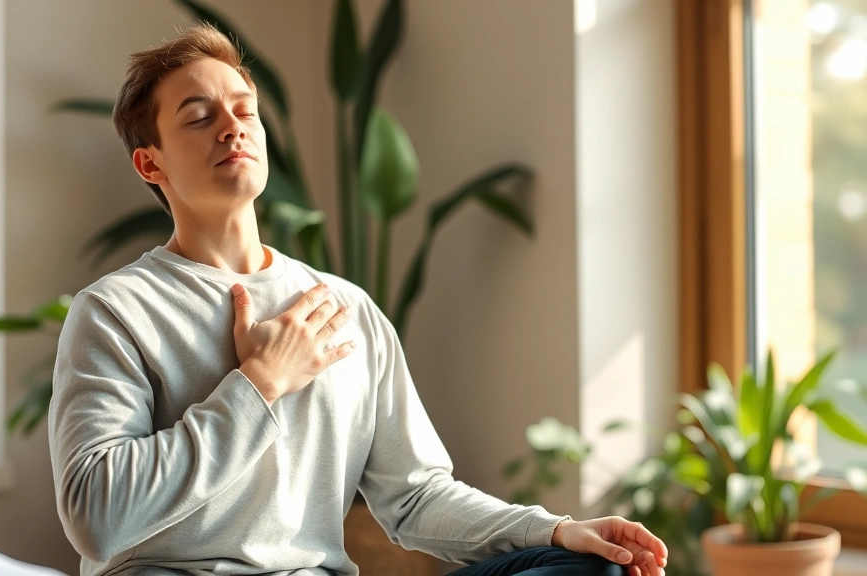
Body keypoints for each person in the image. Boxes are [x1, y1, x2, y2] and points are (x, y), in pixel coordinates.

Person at [48, 22, 668, 576]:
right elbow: (98, 518)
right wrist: (260, 383)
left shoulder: (344, 307)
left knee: (586, 572)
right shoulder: (115, 311)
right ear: (149, 163)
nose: (233, 126)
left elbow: (417, 498)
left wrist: (556, 530)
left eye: (245, 110)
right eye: (198, 116)